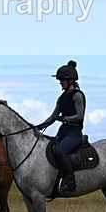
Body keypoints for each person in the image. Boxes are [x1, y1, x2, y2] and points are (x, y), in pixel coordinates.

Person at [37, 60, 85, 192]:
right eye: (60, 80)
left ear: (70, 80)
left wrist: (65, 118)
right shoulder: (61, 97)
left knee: (61, 151)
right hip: (63, 131)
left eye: (62, 80)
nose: (60, 83)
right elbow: (53, 117)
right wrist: (39, 127)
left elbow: (80, 115)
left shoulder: (78, 96)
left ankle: (71, 182)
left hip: (74, 133)